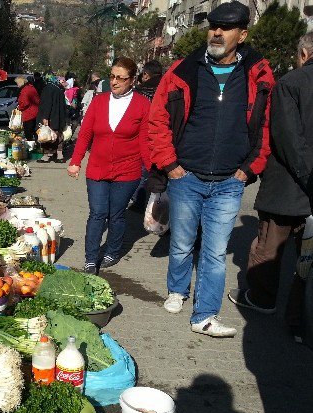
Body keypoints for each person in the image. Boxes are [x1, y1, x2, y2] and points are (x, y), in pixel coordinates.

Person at [149, 0, 275, 338]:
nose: (216, 32)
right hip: (186, 176)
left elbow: (266, 126)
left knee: (215, 251)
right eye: (213, 26)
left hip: (229, 182)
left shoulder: (258, 74)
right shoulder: (183, 70)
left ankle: (204, 315)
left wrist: (249, 169)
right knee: (181, 243)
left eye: (226, 27)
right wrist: (171, 165)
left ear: (242, 33)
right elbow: (158, 119)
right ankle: (177, 290)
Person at [228, 32, 313, 337]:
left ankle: (261, 298)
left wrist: (307, 177)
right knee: (307, 260)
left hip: (289, 187)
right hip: (301, 188)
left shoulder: (291, 83)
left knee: (268, 249)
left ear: (303, 54)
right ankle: (299, 319)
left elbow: (287, 137)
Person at [67, 57, 151, 275]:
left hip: (128, 171)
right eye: (112, 76)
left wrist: (153, 171)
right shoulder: (99, 101)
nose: (114, 82)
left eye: (120, 78)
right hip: (97, 169)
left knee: (116, 214)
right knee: (97, 213)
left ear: (132, 80)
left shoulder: (142, 104)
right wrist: (75, 161)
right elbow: (85, 133)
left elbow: (145, 141)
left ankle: (113, 250)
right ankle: (90, 258)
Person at [36, 72, 67, 163]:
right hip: (59, 117)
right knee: (58, 136)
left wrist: (45, 117)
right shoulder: (59, 89)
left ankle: (46, 156)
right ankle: (60, 156)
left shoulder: (47, 89)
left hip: (50, 117)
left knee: (47, 137)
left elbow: (47, 104)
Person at [15, 76, 40, 141]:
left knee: (28, 133)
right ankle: (36, 145)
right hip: (35, 112)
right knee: (35, 131)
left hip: (29, 114)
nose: (17, 85)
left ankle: (30, 148)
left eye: (17, 83)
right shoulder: (31, 87)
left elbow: (25, 103)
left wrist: (19, 107)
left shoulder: (24, 90)